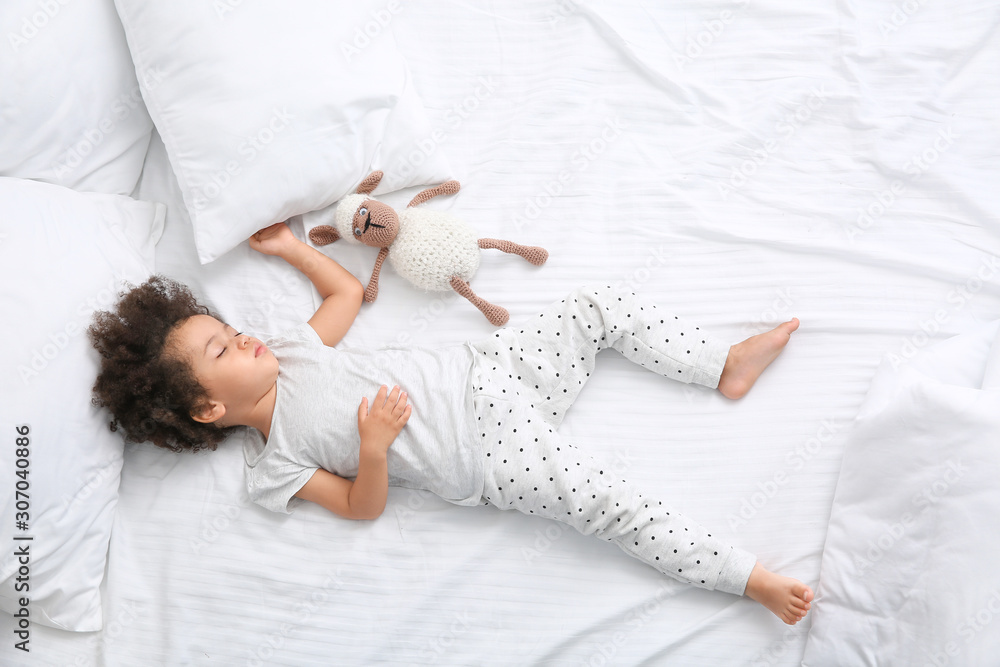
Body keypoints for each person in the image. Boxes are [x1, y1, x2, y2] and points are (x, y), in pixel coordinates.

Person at [88, 221, 813, 625]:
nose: (242, 336)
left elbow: (343, 289)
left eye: (227, 326)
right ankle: (744, 576)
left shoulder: (291, 348)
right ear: (208, 408)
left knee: (595, 306)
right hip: (486, 454)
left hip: (490, 370)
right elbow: (358, 507)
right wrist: (372, 450)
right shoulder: (275, 460)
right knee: (612, 503)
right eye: (221, 349)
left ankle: (721, 364)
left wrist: (290, 249)